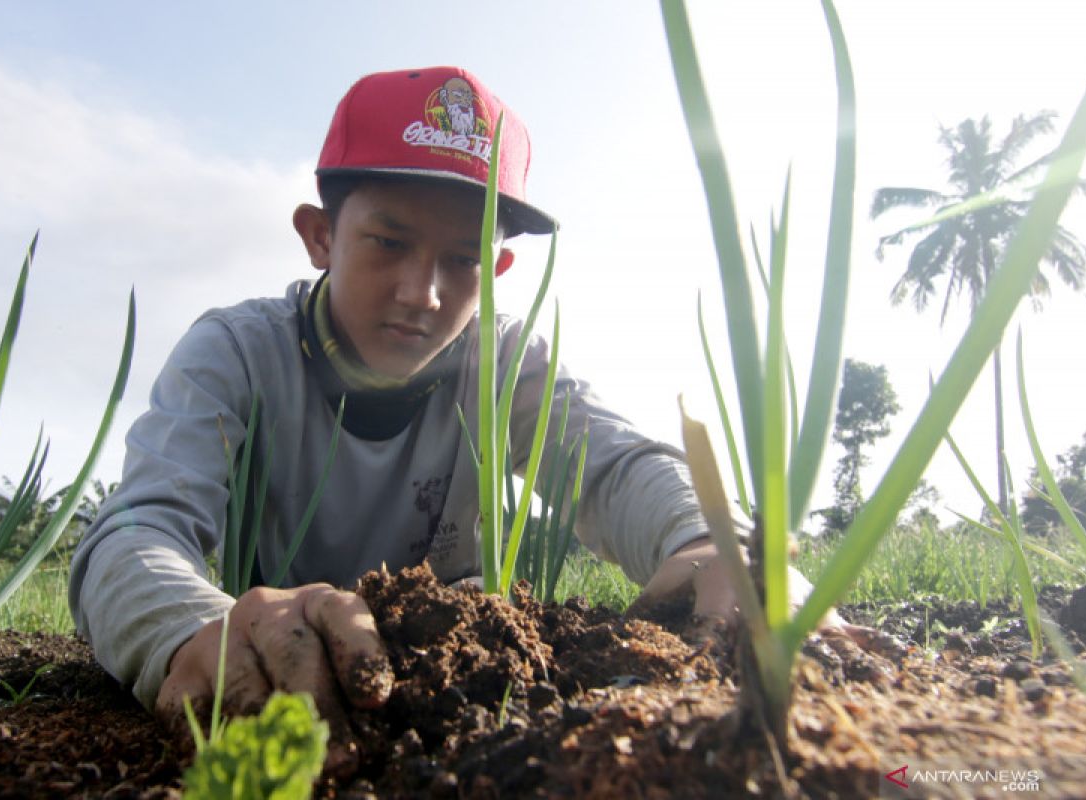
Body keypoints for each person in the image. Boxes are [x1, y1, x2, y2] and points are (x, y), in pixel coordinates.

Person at [68, 65, 865, 771]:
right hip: (284, 676)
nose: (424, 293)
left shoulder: (501, 364)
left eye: (463, 259)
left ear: (499, 268)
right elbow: (135, 533)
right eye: (387, 242)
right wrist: (196, 631)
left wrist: (706, 542)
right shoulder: (237, 353)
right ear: (320, 236)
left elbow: (614, 464)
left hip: (452, 688)